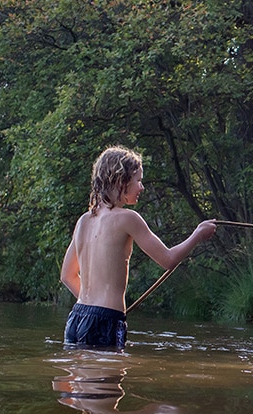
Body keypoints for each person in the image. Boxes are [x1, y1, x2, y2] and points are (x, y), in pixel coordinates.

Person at [60, 146, 217, 350]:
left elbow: (67, 275)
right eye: (138, 180)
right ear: (121, 180)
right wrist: (198, 234)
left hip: (77, 316)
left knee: (81, 371)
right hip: (107, 319)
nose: (142, 187)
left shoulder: (83, 220)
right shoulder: (128, 218)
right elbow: (168, 260)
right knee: (107, 372)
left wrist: (92, 308)